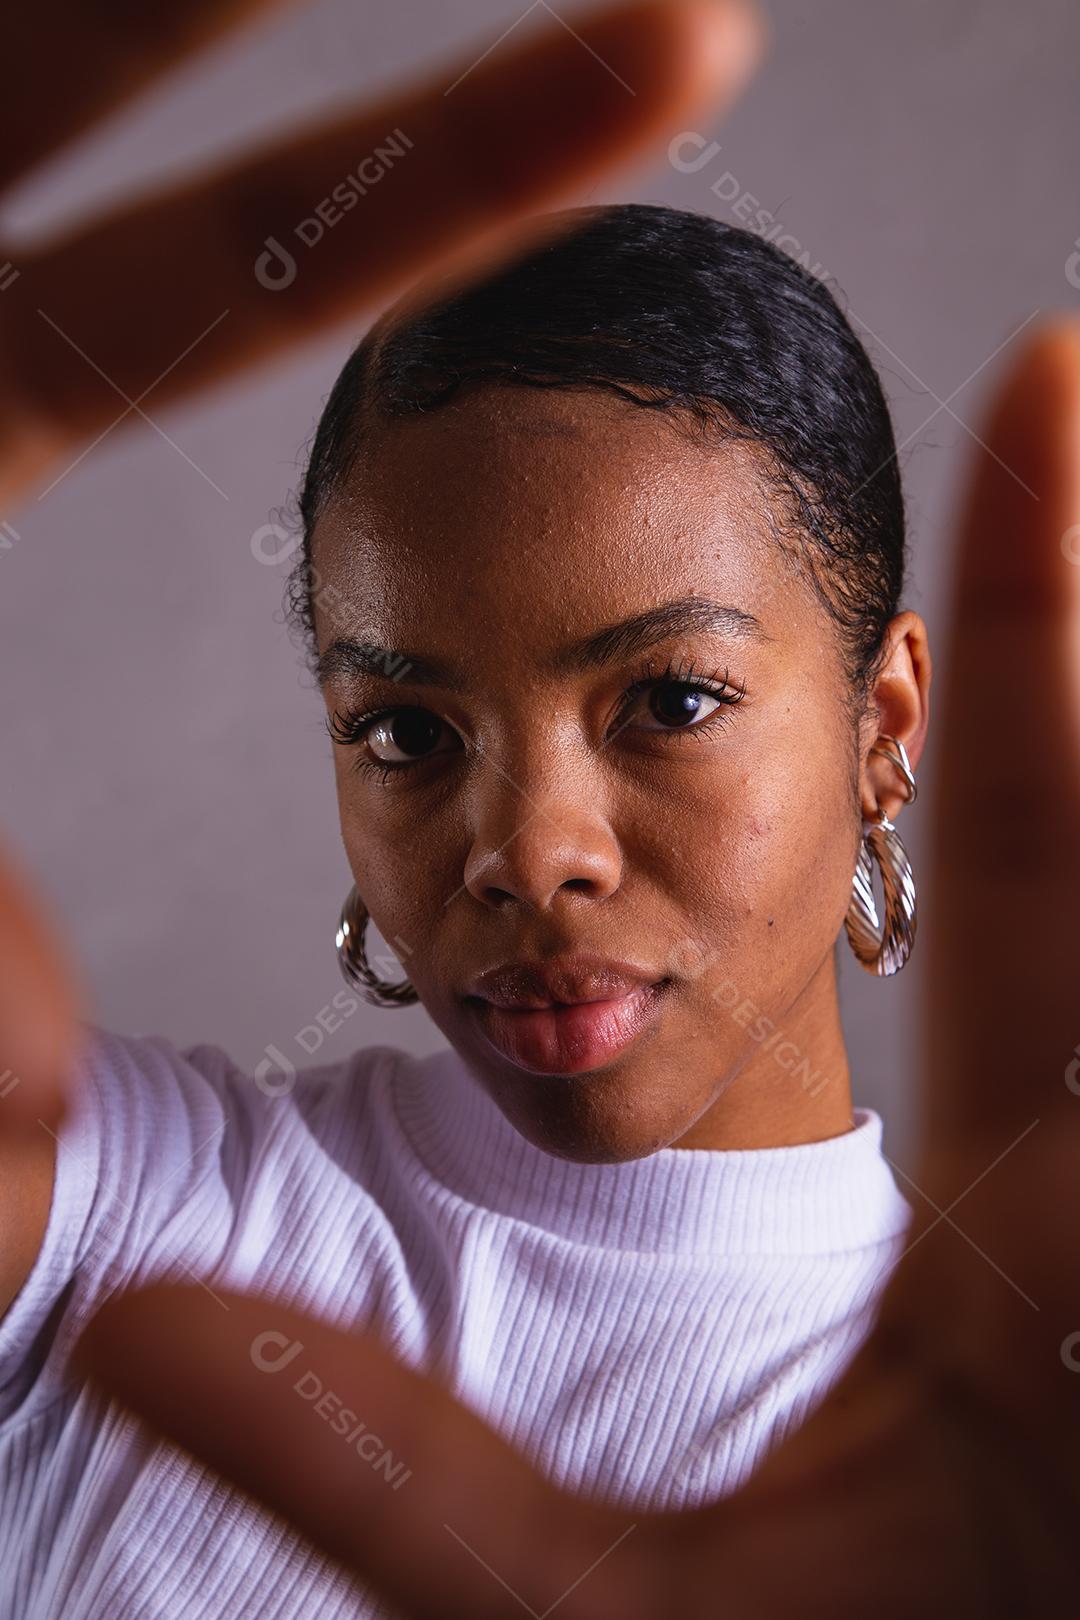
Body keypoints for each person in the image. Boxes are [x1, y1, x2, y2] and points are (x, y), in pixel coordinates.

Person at [0, 1, 1076, 1616]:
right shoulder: (121, 1211)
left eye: (669, 701)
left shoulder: (1009, 1438)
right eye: (408, 730)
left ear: (885, 727)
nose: (526, 851)